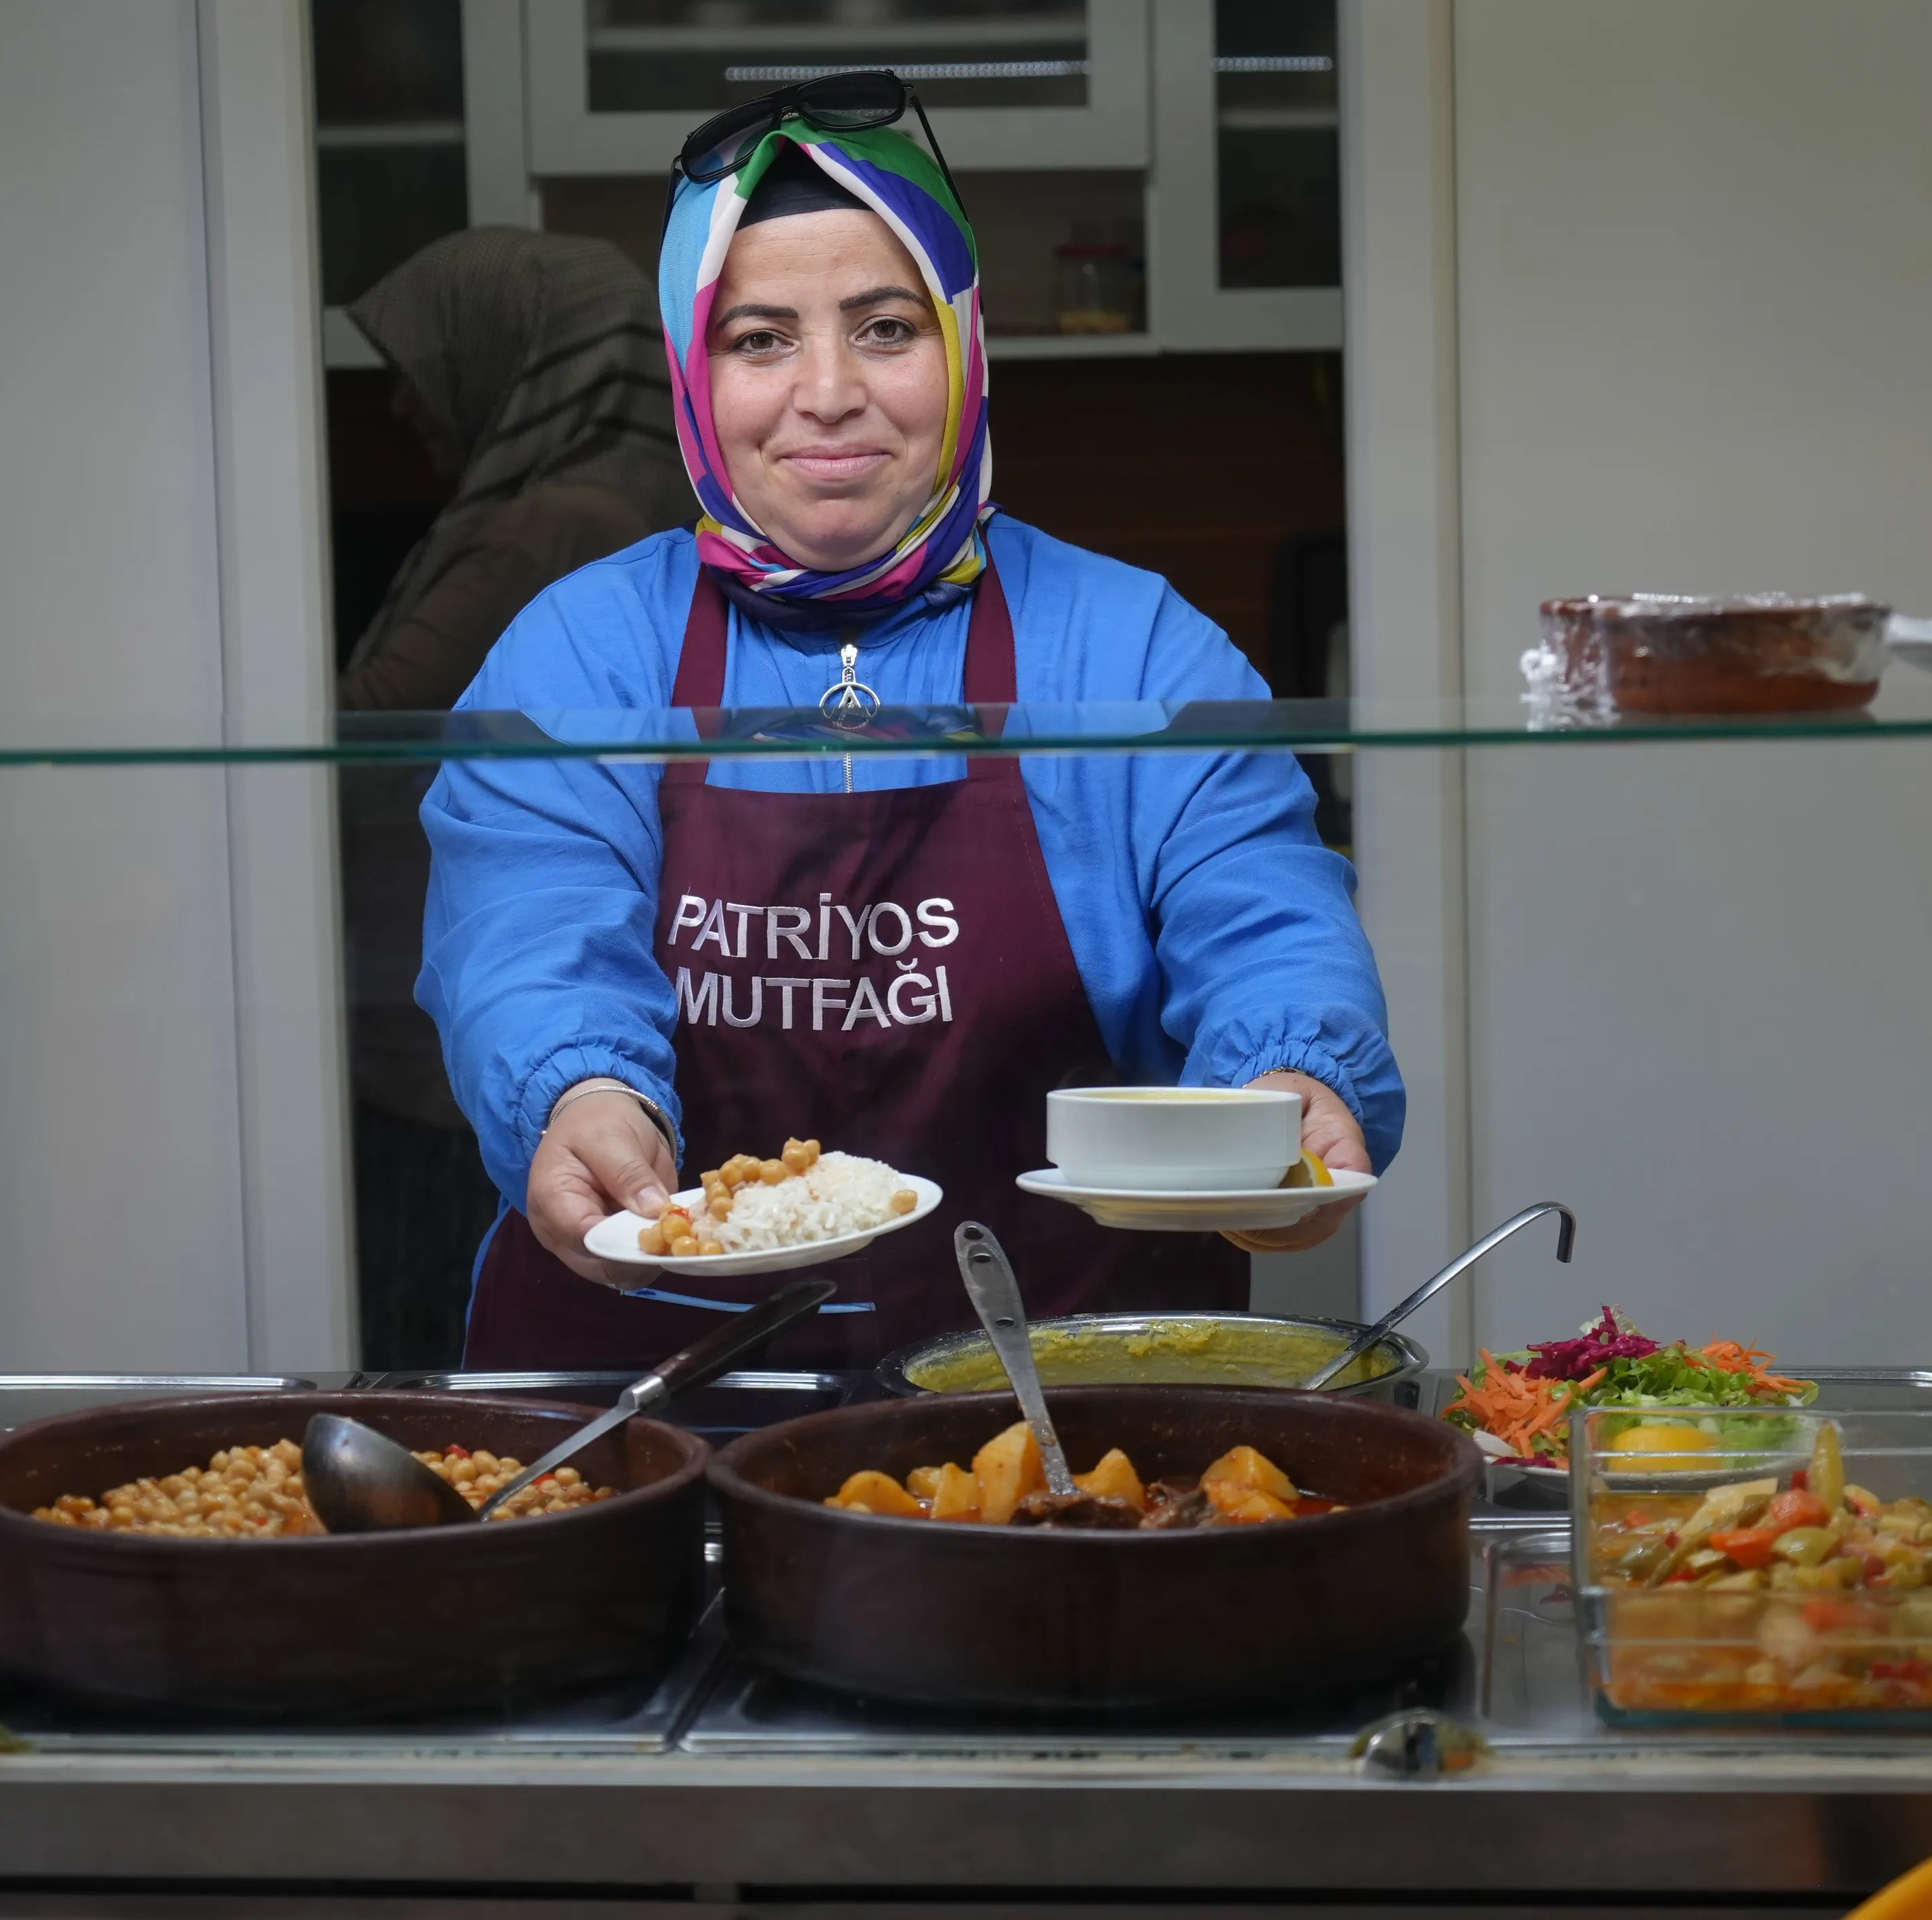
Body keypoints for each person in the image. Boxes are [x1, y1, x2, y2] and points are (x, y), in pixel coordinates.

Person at [417, 74, 1401, 1369]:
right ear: (690, 374)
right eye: (759, 338)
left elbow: (1266, 911)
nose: (827, 392)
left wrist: (1290, 1089)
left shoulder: (1134, 643)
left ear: (966, 344)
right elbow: (523, 935)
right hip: (653, 1388)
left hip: (1071, 1392)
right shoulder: (581, 650)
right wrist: (576, 1094)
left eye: (886, 327)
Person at [337, 229, 691, 1367]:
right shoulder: (631, 513)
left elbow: (365, 719)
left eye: (419, 367)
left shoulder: (559, 527)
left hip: (455, 1027)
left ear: (519, 360)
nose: (398, 404)